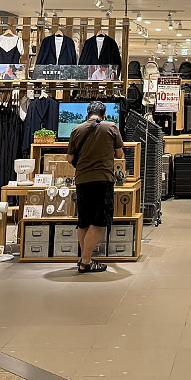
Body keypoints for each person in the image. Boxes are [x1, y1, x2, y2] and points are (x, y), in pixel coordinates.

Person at [66, 100, 124, 273]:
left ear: (87, 113)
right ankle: (85, 261)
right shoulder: (111, 127)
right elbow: (119, 154)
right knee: (99, 222)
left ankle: (85, 258)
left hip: (82, 180)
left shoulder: (77, 130)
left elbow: (70, 158)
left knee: (84, 221)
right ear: (104, 115)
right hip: (103, 179)